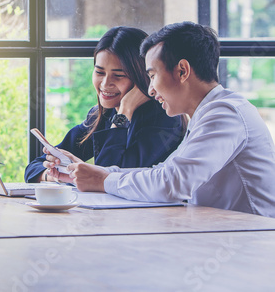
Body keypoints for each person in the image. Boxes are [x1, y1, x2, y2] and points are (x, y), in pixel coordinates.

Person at [65, 21, 275, 218]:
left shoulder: (226, 114)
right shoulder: (206, 115)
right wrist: (100, 173)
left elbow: (172, 182)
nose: (150, 89)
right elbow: (162, 173)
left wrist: (103, 179)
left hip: (249, 241)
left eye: (153, 76)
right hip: (221, 236)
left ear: (182, 71)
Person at [24, 26, 185, 183]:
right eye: (99, 72)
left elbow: (110, 179)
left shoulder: (165, 118)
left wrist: (125, 111)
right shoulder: (103, 114)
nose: (105, 84)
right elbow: (34, 167)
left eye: (119, 75)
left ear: (142, 77)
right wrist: (53, 175)